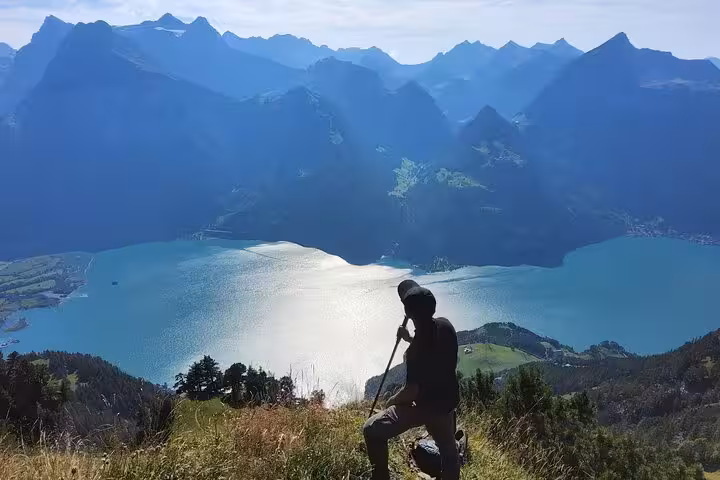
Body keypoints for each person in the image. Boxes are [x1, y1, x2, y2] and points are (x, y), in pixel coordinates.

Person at [363, 279, 460, 480]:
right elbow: (432, 345)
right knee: (449, 452)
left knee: (371, 430)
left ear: (409, 314)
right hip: (447, 404)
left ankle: (380, 477)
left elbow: (412, 391)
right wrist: (409, 338)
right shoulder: (446, 326)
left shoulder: (415, 352)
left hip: (424, 407)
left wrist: (391, 402)